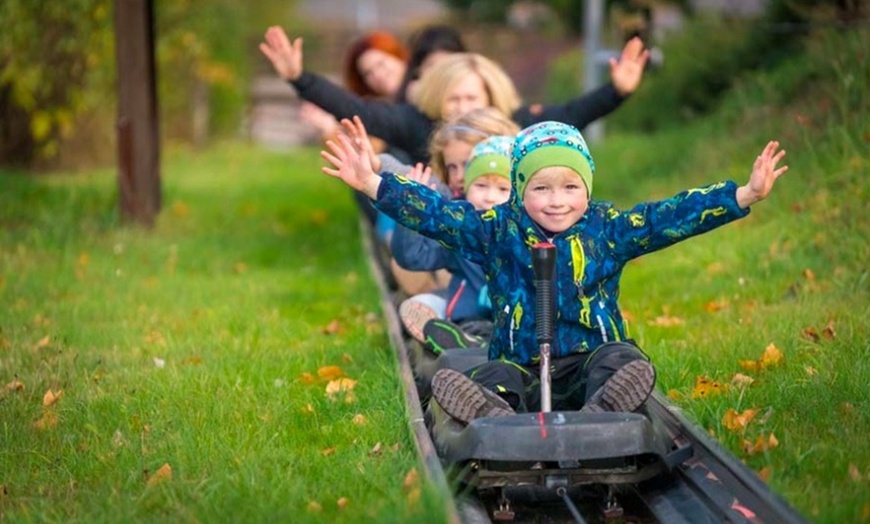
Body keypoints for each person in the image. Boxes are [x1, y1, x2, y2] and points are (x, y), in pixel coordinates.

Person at [321, 118, 788, 422]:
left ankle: (605, 409)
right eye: (541, 188)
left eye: (569, 186)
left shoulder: (607, 229)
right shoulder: (497, 229)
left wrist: (741, 195)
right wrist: (373, 182)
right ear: (521, 188)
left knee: (622, 360)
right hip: (520, 359)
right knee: (494, 376)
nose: (557, 200)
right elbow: (438, 214)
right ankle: (495, 414)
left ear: (586, 186)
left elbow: (668, 218)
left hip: (588, 357)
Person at [259, 25, 649, 164]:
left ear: (491, 97)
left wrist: (617, 91)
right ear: (437, 98)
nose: (463, 110)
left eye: (472, 99)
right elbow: (355, 107)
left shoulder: (514, 122)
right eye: (454, 100)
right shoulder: (416, 126)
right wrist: (299, 78)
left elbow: (571, 113)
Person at [394, 135, 514, 350]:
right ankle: (460, 344)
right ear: (467, 189)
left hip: (514, 324)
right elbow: (413, 257)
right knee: (469, 334)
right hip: (469, 321)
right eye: (481, 185)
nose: (490, 197)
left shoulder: (527, 236)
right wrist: (413, 208)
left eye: (503, 189)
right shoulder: (457, 231)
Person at [396, 24, 467, 103]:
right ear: (417, 68)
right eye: (433, 66)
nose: (440, 74)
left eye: (447, 66)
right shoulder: (399, 111)